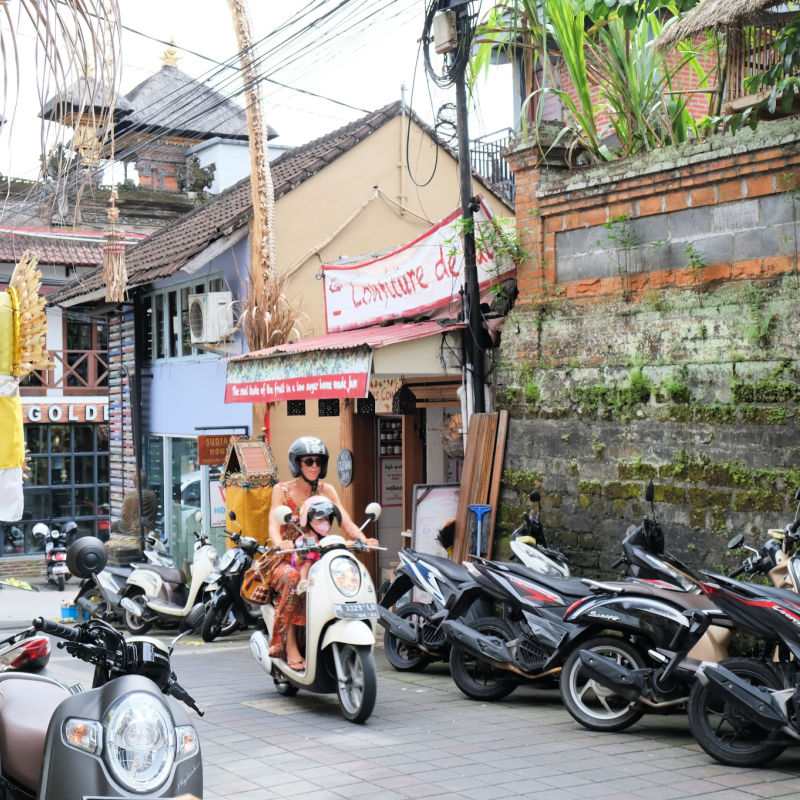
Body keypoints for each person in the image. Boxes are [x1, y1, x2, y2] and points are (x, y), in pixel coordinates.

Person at [267, 436, 378, 672]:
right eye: (308, 461)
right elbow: (273, 525)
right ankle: (288, 645)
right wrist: (280, 543)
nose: (314, 466)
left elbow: (346, 521)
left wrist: (362, 539)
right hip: (288, 558)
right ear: (297, 464)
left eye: (319, 461)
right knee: (294, 580)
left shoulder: (327, 490)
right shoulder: (282, 490)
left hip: (319, 554)